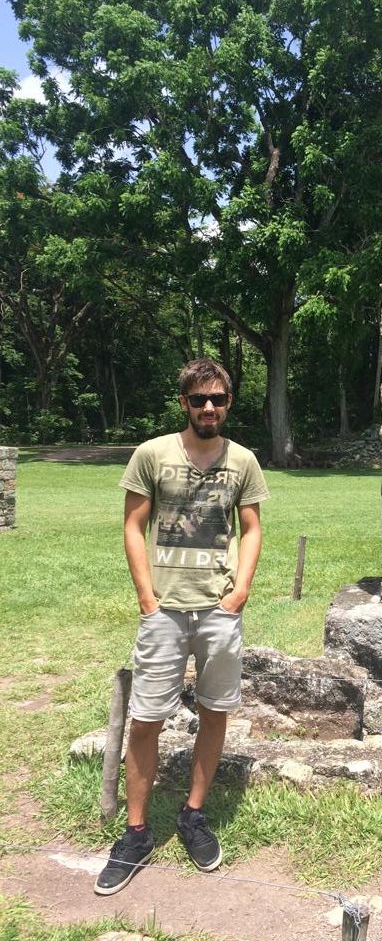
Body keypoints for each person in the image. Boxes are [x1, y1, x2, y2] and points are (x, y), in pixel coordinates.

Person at [95, 358, 269, 896]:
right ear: (184, 404)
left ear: (229, 403)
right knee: (145, 719)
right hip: (164, 611)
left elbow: (252, 527)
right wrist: (147, 598)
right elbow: (133, 524)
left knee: (214, 713)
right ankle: (137, 831)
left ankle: (193, 816)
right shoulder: (152, 454)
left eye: (217, 399)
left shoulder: (243, 461)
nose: (209, 408)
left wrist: (239, 592)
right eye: (199, 400)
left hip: (218, 611)